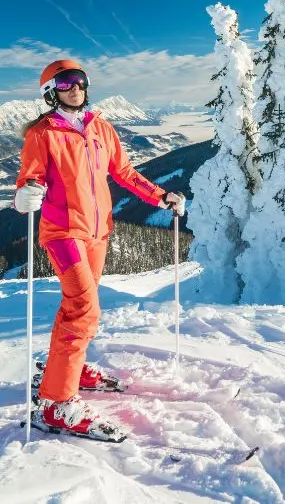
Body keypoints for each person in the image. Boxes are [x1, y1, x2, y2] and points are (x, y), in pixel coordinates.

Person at [13, 59, 184, 439]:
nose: (75, 87)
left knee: (80, 308)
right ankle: (57, 404)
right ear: (51, 92)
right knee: (83, 307)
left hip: (97, 233)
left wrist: (161, 198)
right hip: (62, 233)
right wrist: (26, 194)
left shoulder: (100, 128)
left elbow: (124, 173)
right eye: (65, 82)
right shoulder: (43, 134)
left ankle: (67, 369)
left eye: (79, 80)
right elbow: (30, 177)